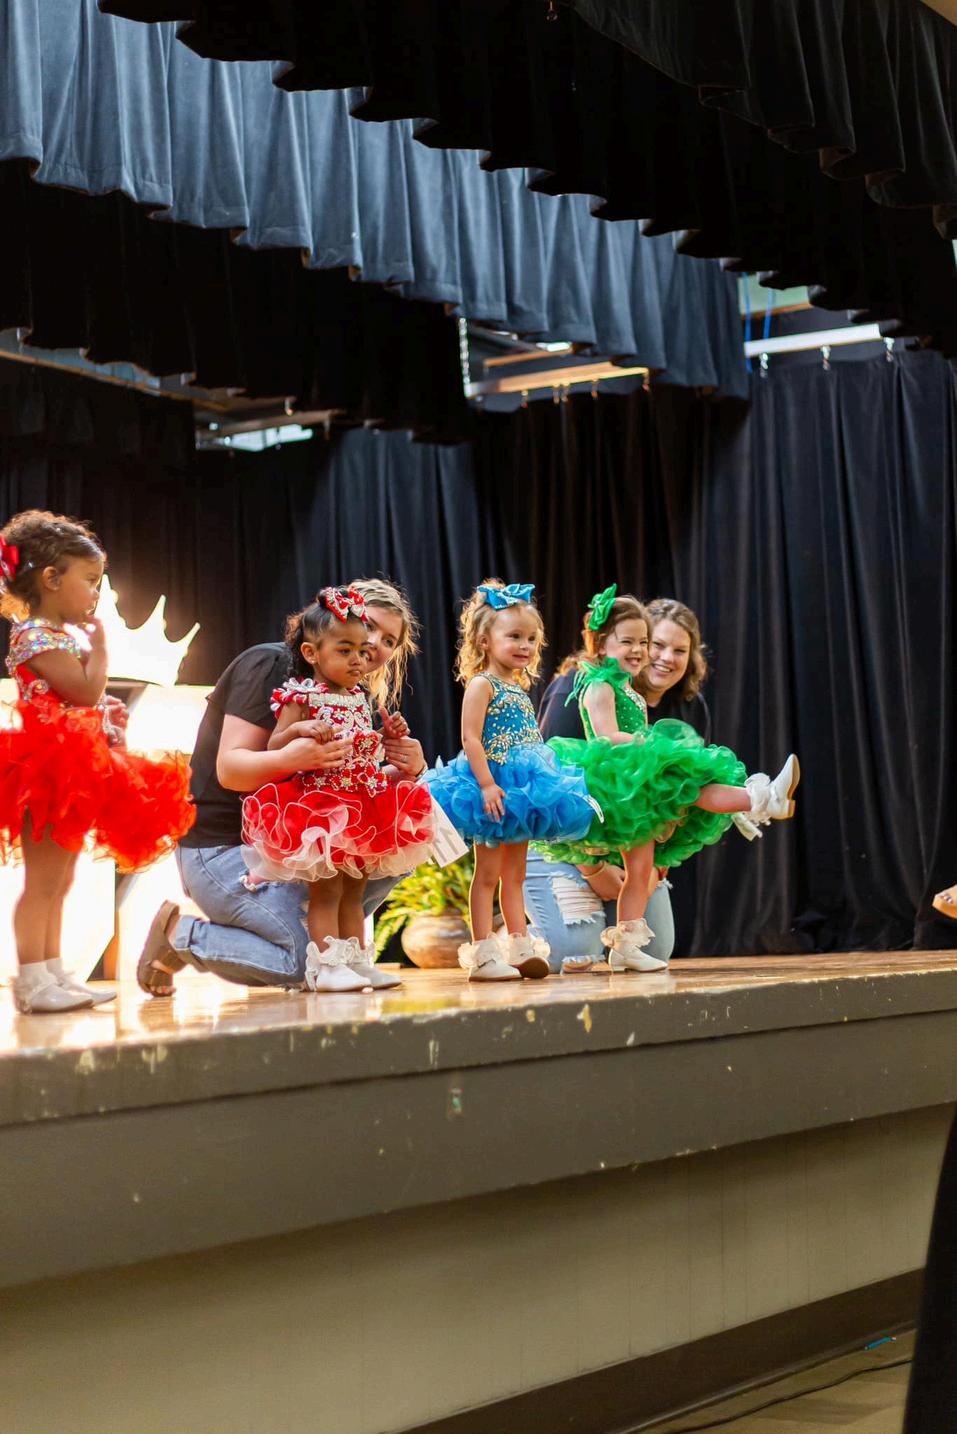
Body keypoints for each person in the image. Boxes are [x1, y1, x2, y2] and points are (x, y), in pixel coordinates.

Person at [138, 578, 428, 996]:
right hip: (224, 847)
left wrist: (407, 768)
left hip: (293, 845)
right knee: (300, 961)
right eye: (368, 627)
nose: (373, 645)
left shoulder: (353, 694)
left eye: (388, 641)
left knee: (393, 844)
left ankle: (344, 955)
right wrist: (294, 755)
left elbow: (349, 786)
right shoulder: (274, 667)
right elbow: (232, 771)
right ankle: (180, 935)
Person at [546, 585, 800, 971]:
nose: (647, 652)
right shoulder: (592, 685)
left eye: (644, 643)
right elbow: (603, 738)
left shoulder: (635, 690)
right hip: (600, 799)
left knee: (644, 875)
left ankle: (626, 947)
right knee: (575, 947)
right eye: (634, 642)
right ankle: (757, 799)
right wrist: (650, 745)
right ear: (600, 644)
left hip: (636, 797)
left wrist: (659, 861)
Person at [0, 510, 193, 1013]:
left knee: (61, 879)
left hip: (69, 762)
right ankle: (32, 981)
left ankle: (53, 971)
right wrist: (103, 650)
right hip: (47, 767)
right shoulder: (36, 635)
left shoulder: (54, 634)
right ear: (51, 579)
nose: (95, 593)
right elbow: (84, 691)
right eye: (89, 581)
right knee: (43, 882)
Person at [241, 587, 434, 993]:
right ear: (312, 653)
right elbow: (275, 746)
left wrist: (389, 737)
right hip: (322, 808)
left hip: (363, 804)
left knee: (355, 891)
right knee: (326, 891)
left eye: (363, 651)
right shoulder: (302, 696)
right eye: (345, 651)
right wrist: (300, 728)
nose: (359, 660)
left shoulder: (359, 696)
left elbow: (363, 749)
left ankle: (356, 960)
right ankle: (327, 965)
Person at [525, 596, 714, 972]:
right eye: (655, 643)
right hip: (564, 841)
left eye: (679, 650)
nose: (663, 657)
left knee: (654, 948)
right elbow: (549, 787)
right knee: (576, 951)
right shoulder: (581, 688)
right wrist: (593, 869)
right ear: (612, 643)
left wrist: (653, 869)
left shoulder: (689, 707)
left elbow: (679, 799)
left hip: (631, 844)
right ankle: (514, 933)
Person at [424, 581, 597, 982]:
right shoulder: (481, 684)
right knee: (487, 875)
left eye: (532, 638)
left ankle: (520, 945)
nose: (525, 645)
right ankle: (484, 953)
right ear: (485, 640)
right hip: (491, 788)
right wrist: (486, 784)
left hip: (522, 792)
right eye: (515, 636)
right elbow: (471, 738)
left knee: (515, 874)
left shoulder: (518, 687)